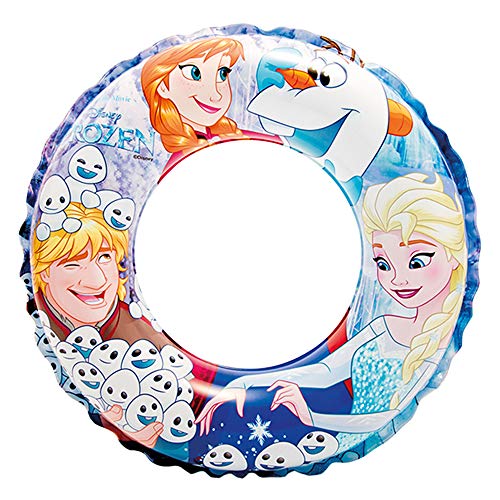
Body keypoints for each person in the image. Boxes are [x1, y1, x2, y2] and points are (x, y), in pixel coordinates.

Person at [195, 173, 467, 451]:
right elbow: (325, 371)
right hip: (335, 441)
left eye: (417, 262)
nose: (397, 280)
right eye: (383, 265)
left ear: (453, 254)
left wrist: (313, 417)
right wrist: (244, 383)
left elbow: (384, 417)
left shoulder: (437, 344)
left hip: (351, 442)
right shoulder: (383, 326)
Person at [31, 202, 217, 448]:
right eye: (72, 264)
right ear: (44, 272)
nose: (96, 280)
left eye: (105, 258)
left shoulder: (141, 337)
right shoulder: (47, 326)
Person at [141, 37, 281, 182]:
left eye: (222, 74)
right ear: (163, 87)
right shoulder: (176, 159)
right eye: (194, 73)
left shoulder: (232, 133)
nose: (215, 95)